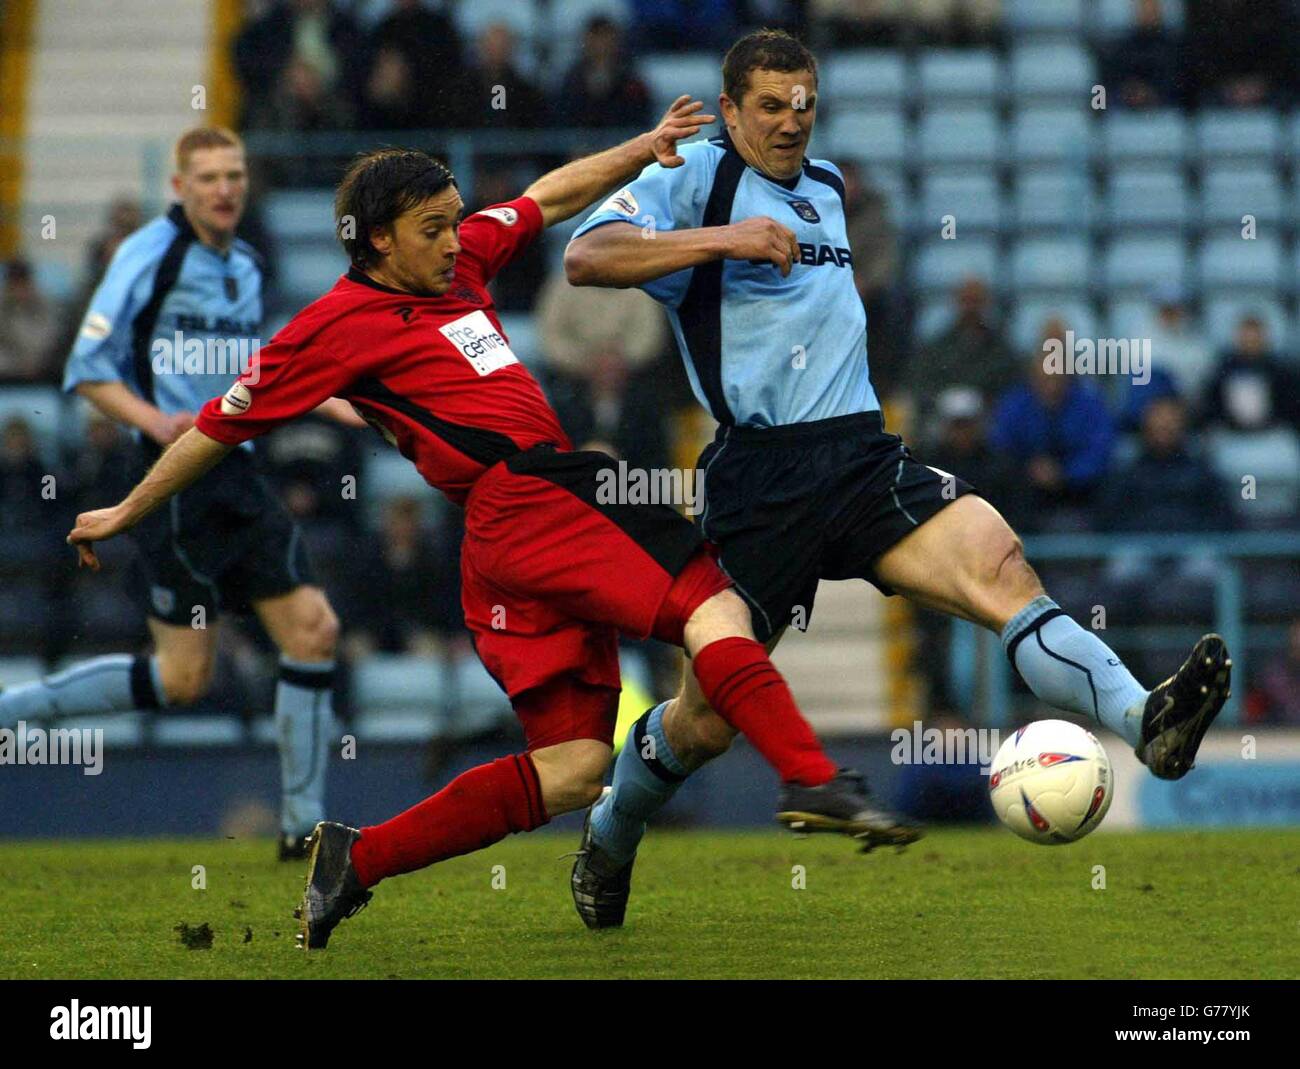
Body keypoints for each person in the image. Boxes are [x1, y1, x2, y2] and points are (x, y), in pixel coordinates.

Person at [65, 100, 919, 951]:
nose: (454, 240)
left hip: (501, 541)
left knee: (574, 772)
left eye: (453, 223)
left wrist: (643, 149)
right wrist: (126, 510)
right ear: (377, 241)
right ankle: (811, 777)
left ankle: (357, 859)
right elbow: (219, 424)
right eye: (433, 229)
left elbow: (546, 200)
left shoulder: (457, 260)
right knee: (715, 608)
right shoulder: (331, 326)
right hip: (534, 493)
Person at [564, 28, 1232, 929]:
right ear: (729, 110)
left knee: (1000, 564)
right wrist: (721, 240)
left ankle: (1144, 722)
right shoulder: (698, 176)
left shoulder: (834, 188)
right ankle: (611, 828)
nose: (792, 121)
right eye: (770, 105)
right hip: (760, 474)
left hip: (862, 454)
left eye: (804, 102)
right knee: (705, 719)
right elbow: (585, 257)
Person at [0, 127, 350, 861]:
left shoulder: (248, 265)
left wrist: (332, 398)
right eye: (210, 177)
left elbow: (252, 373)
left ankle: (303, 827)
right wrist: (159, 420)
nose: (225, 188)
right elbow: (90, 368)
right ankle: (13, 712)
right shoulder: (145, 256)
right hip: (172, 483)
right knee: (183, 679)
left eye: (235, 175)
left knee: (313, 630)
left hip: (241, 477)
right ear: (180, 187)